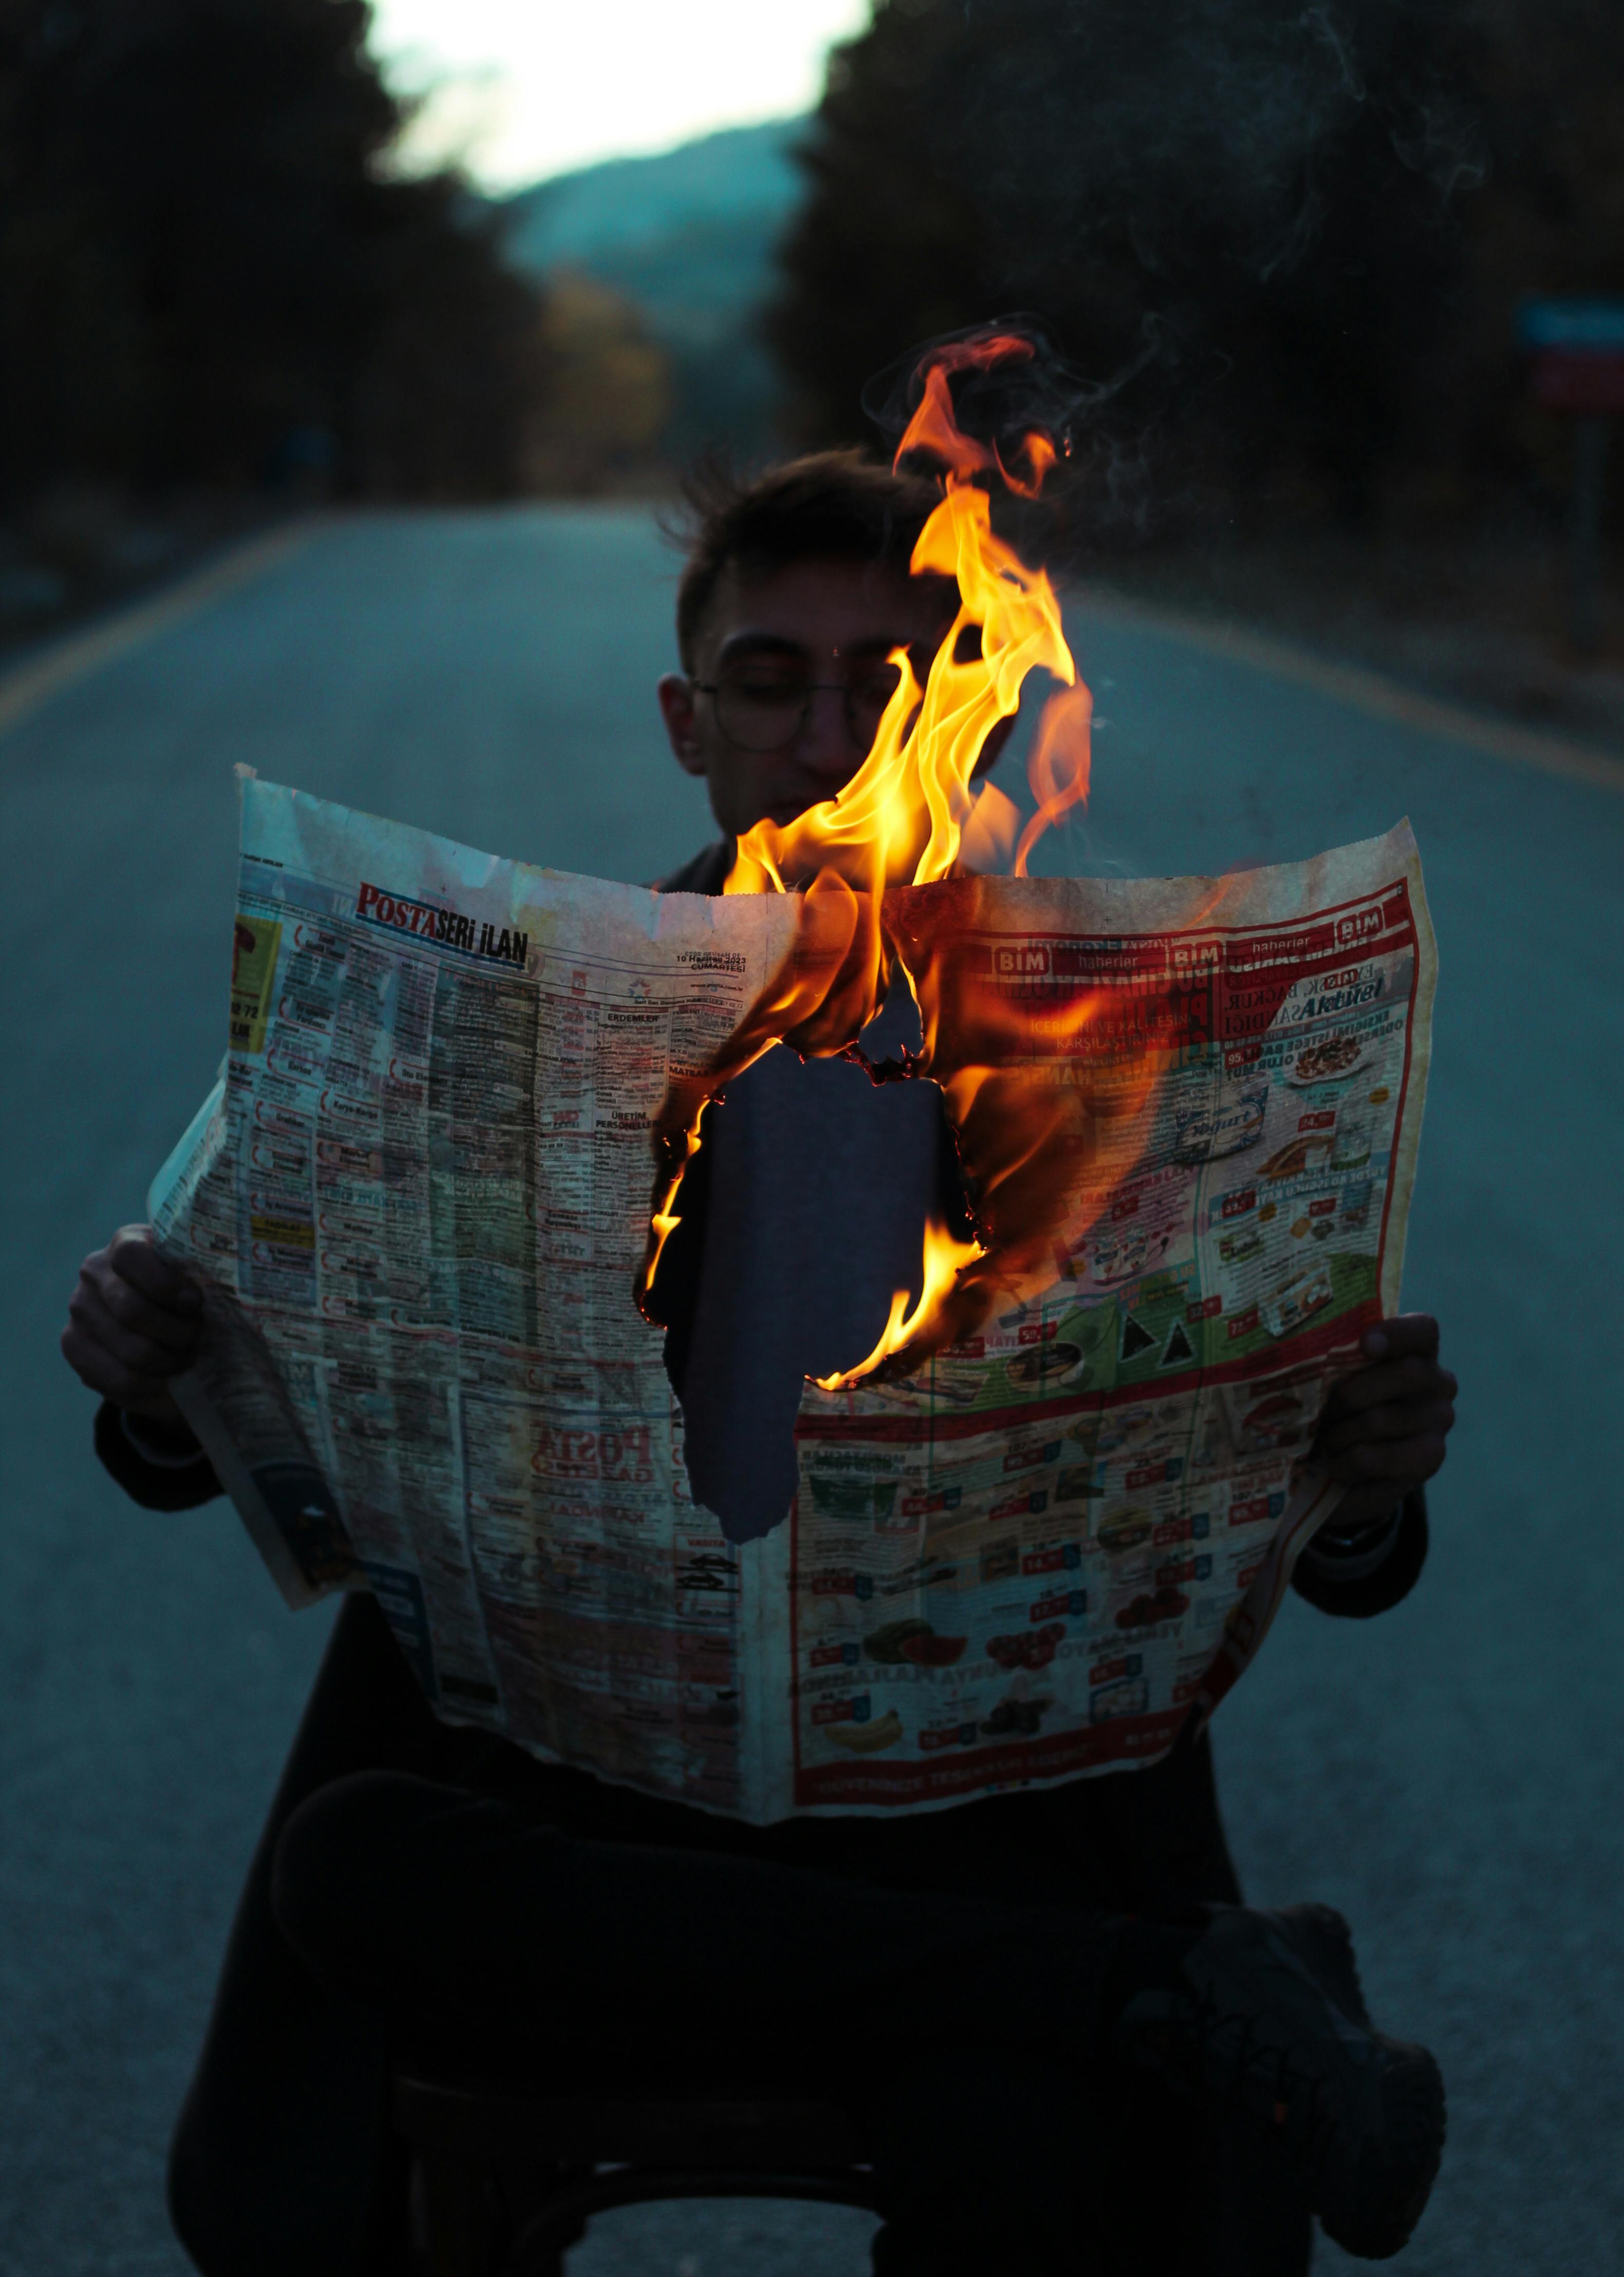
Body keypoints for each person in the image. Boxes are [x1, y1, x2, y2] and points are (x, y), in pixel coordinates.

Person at [63, 452, 1457, 2277]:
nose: (823, 729)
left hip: (980, 1805)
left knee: (1028, 2155)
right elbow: (280, 1393)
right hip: (591, 1796)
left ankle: (1087, 1994)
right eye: (769, 676)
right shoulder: (511, 1006)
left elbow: (1310, 1531)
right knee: (357, 1865)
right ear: (686, 720)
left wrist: (1362, 1479)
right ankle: (1142, 1989)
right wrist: (156, 1372)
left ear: (958, 719)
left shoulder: (1125, 1059)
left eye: (882, 681)